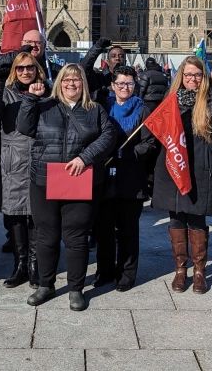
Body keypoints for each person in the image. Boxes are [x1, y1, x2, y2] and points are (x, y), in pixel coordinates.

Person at [17, 63, 117, 311]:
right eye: (66, 80)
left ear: (83, 83)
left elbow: (109, 136)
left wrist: (85, 157)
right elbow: (23, 127)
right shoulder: (45, 106)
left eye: (76, 80)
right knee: (46, 236)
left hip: (79, 178)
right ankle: (45, 284)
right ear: (59, 83)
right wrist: (30, 98)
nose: (71, 84)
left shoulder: (95, 110)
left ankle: (75, 289)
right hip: (44, 178)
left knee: (76, 237)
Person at [150, 56, 212, 294]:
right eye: (188, 75)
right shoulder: (170, 100)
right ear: (181, 77)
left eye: (197, 75)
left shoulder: (209, 99)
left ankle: (199, 271)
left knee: (197, 219)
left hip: (200, 167)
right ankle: (180, 269)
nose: (192, 79)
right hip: (174, 164)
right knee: (176, 218)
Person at [0, 52, 47, 289]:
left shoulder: (46, 90)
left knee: (37, 216)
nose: (25, 72)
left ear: (37, 68)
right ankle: (20, 265)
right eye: (20, 68)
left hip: (40, 158)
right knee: (16, 215)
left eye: (30, 67)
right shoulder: (7, 91)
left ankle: (34, 265)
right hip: (13, 161)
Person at [93, 66, 156, 292]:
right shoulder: (104, 106)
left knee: (128, 230)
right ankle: (105, 271)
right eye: (120, 83)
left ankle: (127, 273)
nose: (124, 88)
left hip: (131, 177)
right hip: (105, 177)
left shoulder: (143, 110)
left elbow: (149, 143)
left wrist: (130, 153)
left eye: (129, 84)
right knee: (104, 229)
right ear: (112, 86)